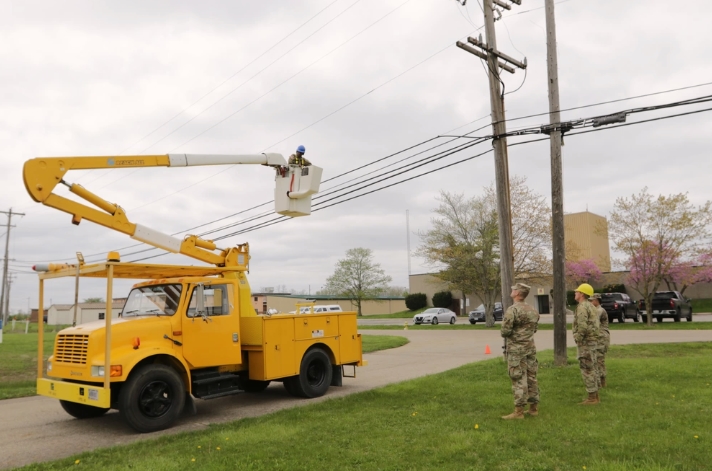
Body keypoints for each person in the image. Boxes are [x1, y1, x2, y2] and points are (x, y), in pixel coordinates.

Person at [500, 283, 541, 419]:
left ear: (517, 293)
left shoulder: (513, 310)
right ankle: (533, 408)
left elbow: (505, 331)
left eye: (513, 289)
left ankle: (518, 411)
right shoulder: (533, 310)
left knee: (518, 377)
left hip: (516, 349)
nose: (511, 291)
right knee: (531, 377)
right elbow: (534, 329)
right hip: (530, 348)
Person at [573, 283, 601, 404]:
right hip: (593, 341)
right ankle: (595, 395)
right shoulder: (591, 306)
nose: (575, 293)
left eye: (577, 292)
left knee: (587, 368)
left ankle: (592, 398)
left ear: (582, 294)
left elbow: (582, 326)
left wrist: (578, 338)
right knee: (592, 367)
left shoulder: (582, 307)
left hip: (586, 342)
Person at [590, 293, 610, 388]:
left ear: (597, 301)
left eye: (592, 300)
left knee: (599, 360)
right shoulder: (595, 310)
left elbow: (594, 322)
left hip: (601, 338)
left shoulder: (600, 310)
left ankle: (602, 381)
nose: (590, 302)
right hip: (597, 338)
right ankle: (598, 382)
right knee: (595, 360)